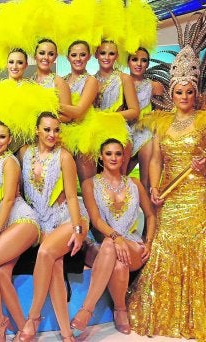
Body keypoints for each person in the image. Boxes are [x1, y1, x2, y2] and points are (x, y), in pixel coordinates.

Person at [127, 40, 206, 340]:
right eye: (179, 91)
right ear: (171, 94)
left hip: (198, 192)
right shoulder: (162, 121)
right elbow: (156, 159)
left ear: (195, 94)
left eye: (189, 91)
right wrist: (155, 187)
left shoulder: (204, 119)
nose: (184, 96)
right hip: (170, 194)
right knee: (165, 243)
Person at [70, 139, 155, 336]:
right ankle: (120, 310)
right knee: (114, 255)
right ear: (101, 156)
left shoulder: (134, 184)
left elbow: (150, 215)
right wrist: (116, 238)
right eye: (109, 153)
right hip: (100, 244)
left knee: (118, 258)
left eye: (118, 153)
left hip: (131, 243)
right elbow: (97, 220)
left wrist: (148, 241)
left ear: (123, 157)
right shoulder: (89, 184)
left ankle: (86, 311)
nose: (114, 157)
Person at [16, 112, 88, 342]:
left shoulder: (64, 157)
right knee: (55, 265)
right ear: (37, 130)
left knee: (46, 252)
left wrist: (78, 230)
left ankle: (33, 318)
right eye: (47, 129)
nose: (52, 134)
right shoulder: (24, 153)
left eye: (56, 130)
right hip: (39, 220)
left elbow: (72, 196)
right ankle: (67, 334)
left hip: (66, 218)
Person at [0, 121, 39, 341]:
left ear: (10, 139)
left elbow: (9, 199)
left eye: (2, 137)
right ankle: (23, 328)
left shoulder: (10, 162)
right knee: (2, 274)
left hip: (22, 222)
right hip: (5, 227)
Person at [94, 40, 140, 174]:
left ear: (117, 56)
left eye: (111, 53)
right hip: (94, 130)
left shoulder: (124, 78)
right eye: (103, 53)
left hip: (118, 130)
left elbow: (134, 111)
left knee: (117, 177)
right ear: (96, 54)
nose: (106, 57)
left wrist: (109, 117)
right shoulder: (90, 80)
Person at [126, 47, 164, 190]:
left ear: (148, 64)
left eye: (144, 60)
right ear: (128, 62)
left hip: (145, 133)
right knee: (119, 178)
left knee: (146, 183)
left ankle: (150, 212)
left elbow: (160, 115)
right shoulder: (121, 82)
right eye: (134, 59)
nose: (139, 64)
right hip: (125, 132)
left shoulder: (155, 86)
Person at [61, 40, 100, 182]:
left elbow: (79, 112)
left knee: (87, 182)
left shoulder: (91, 81)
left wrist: (51, 105)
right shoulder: (62, 80)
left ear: (89, 57)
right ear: (68, 57)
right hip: (62, 130)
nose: (78, 59)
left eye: (82, 55)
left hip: (83, 129)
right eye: (74, 55)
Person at [31, 39, 72, 115]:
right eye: (42, 53)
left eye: (51, 54)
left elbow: (68, 117)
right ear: (35, 55)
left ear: (55, 57)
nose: (46, 57)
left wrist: (41, 121)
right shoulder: (29, 81)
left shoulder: (59, 83)